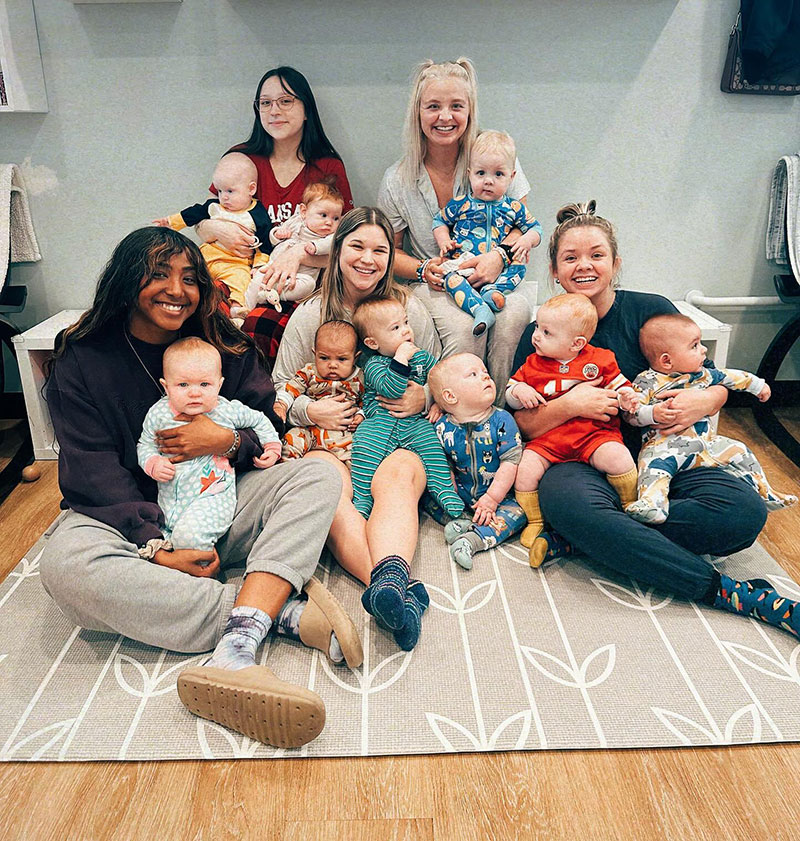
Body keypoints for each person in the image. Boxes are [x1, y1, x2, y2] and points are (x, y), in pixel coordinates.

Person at [40, 227, 363, 751]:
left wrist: (227, 439)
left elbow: (267, 427)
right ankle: (271, 613)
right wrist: (156, 547)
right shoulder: (82, 357)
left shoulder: (223, 345)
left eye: (190, 278)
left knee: (321, 471)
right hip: (125, 519)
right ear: (127, 281)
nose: (177, 289)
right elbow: (90, 467)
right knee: (62, 566)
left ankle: (236, 637)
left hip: (220, 502)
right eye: (159, 274)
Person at [511, 201, 800, 642]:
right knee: (571, 507)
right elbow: (525, 427)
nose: (584, 266)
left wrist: (707, 399)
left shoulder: (651, 312)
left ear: (616, 263)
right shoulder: (543, 329)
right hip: (574, 460)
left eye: (596, 254)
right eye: (570, 258)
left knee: (743, 513)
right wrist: (573, 405)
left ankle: (590, 537)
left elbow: (708, 375)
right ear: (554, 269)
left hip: (663, 455)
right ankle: (730, 594)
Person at [273, 207, 441, 650]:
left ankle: (391, 585)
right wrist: (313, 412)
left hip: (395, 435)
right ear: (337, 250)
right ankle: (393, 589)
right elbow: (280, 388)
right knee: (329, 487)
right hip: (327, 443)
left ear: (391, 257)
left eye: (380, 250)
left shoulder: (409, 310)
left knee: (400, 476)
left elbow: (443, 374)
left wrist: (423, 396)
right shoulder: (310, 316)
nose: (368, 259)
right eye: (357, 246)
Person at [377, 58, 533, 397]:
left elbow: (523, 223)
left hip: (497, 275)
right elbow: (390, 252)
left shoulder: (495, 157)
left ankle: (503, 416)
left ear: (470, 110)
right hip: (437, 282)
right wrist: (423, 268)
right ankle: (458, 417)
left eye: (456, 106)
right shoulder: (397, 179)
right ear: (418, 113)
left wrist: (500, 256)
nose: (445, 117)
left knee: (511, 318)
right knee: (466, 329)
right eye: (433, 106)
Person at [197, 67, 354, 368]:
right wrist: (215, 228)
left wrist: (297, 254)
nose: (274, 111)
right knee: (202, 306)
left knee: (259, 324)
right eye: (265, 103)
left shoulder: (326, 166)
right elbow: (206, 217)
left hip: (295, 281)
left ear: (306, 109)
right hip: (236, 269)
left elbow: (346, 245)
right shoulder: (242, 158)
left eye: (285, 101)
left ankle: (259, 403)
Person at [625, 312, 797, 523]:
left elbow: (732, 377)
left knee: (741, 451)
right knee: (652, 466)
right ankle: (653, 504)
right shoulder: (647, 381)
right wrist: (653, 413)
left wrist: (758, 385)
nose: (704, 349)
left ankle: (765, 492)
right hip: (665, 445)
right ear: (667, 361)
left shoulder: (704, 374)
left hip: (707, 444)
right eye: (695, 345)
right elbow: (630, 413)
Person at [505, 293, 639, 563]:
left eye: (546, 332)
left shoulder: (600, 359)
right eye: (536, 327)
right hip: (549, 439)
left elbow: (620, 386)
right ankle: (535, 521)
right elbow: (509, 392)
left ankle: (630, 504)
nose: (536, 336)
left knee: (619, 457)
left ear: (577, 343)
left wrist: (628, 397)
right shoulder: (533, 364)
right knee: (525, 469)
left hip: (593, 434)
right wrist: (519, 389)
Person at [137, 337, 282, 550]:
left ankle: (201, 564)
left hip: (213, 496)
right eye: (183, 384)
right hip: (170, 503)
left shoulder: (225, 410)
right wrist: (153, 463)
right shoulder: (158, 414)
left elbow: (259, 419)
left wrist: (272, 446)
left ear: (219, 384)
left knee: (190, 539)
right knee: (163, 541)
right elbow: (145, 445)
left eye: (204, 384)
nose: (195, 393)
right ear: (166, 387)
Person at [350, 295, 464, 520]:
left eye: (406, 323)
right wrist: (400, 358)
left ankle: (444, 490)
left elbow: (441, 381)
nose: (405, 331)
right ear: (373, 343)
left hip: (415, 423)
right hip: (379, 423)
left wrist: (436, 403)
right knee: (364, 449)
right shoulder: (374, 365)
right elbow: (392, 389)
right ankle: (363, 499)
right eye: (395, 328)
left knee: (432, 448)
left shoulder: (422, 358)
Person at [432, 130, 542, 336]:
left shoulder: (514, 207)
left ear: (512, 177)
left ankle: (493, 292)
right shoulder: (460, 204)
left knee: (518, 268)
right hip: (465, 265)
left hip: (501, 268)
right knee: (450, 279)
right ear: (469, 173)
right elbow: (439, 221)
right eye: (481, 173)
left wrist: (527, 240)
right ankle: (480, 309)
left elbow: (535, 228)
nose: (488, 181)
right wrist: (444, 240)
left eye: (498, 174)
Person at [427, 353, 526, 571]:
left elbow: (511, 462)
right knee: (427, 496)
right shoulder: (442, 427)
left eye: (485, 373)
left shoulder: (502, 420)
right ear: (450, 397)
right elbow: (441, 462)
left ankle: (472, 540)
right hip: (461, 495)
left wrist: (492, 499)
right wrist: (449, 490)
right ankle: (460, 519)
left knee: (519, 514)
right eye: (473, 374)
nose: (485, 377)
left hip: (500, 496)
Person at [153, 153, 272, 313]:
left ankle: (238, 309)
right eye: (220, 191)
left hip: (235, 263)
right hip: (205, 258)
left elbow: (264, 243)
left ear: (251, 189)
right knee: (184, 270)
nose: (224, 197)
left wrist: (259, 264)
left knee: (241, 280)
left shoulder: (257, 215)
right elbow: (193, 213)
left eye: (230, 191)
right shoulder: (214, 206)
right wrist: (170, 221)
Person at [239, 179, 345, 320]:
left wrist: (316, 246)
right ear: (304, 211)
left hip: (297, 278)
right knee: (258, 277)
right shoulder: (295, 222)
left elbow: (332, 245)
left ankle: (270, 295)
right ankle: (244, 311)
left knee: (308, 285)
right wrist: (277, 234)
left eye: (336, 218)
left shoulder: (329, 237)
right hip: (275, 266)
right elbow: (272, 239)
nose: (329, 222)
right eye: (323, 215)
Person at [277, 320, 364, 462]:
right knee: (288, 443)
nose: (332, 365)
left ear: (355, 357)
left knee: (359, 456)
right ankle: (286, 475)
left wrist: (361, 415)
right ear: (314, 354)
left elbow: (367, 401)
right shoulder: (309, 373)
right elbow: (290, 390)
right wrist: (281, 405)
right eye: (324, 358)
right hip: (309, 429)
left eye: (342, 359)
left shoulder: (360, 379)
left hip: (344, 434)